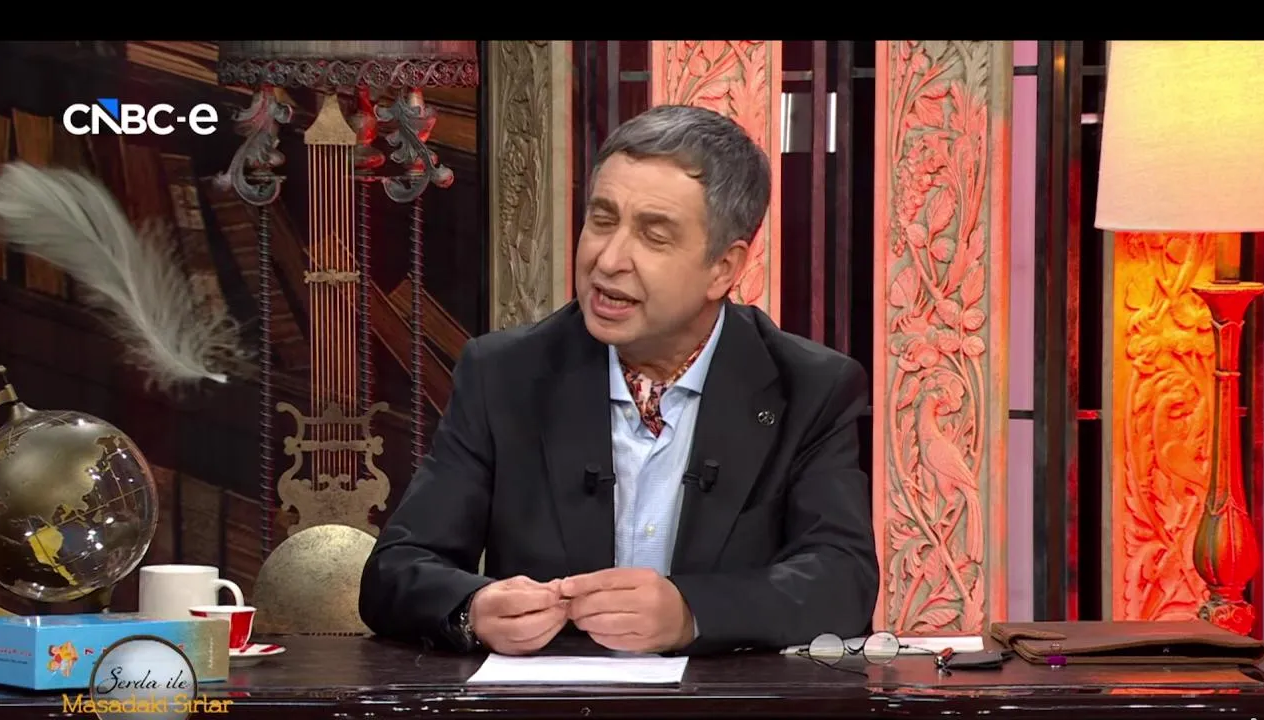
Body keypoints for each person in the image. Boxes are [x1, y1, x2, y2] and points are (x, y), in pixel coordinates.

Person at [359, 104, 878, 657]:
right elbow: (397, 570)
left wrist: (692, 612)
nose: (608, 260)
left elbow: (842, 579)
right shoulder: (505, 374)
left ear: (723, 269)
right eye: (602, 220)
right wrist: (473, 608)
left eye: (654, 236)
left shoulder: (809, 388)